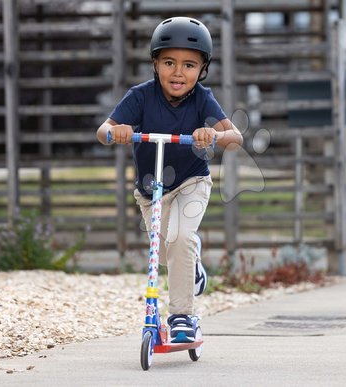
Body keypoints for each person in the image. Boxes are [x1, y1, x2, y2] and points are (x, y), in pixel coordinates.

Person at [97, 16, 243, 343]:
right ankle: (192, 266)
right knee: (161, 252)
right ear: (155, 63)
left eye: (189, 65)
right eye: (169, 62)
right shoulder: (140, 96)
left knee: (179, 239)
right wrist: (116, 132)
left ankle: (182, 317)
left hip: (191, 182)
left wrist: (213, 136)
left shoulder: (203, 98)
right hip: (151, 192)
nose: (178, 72)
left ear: (202, 69)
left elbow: (236, 138)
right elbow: (102, 130)